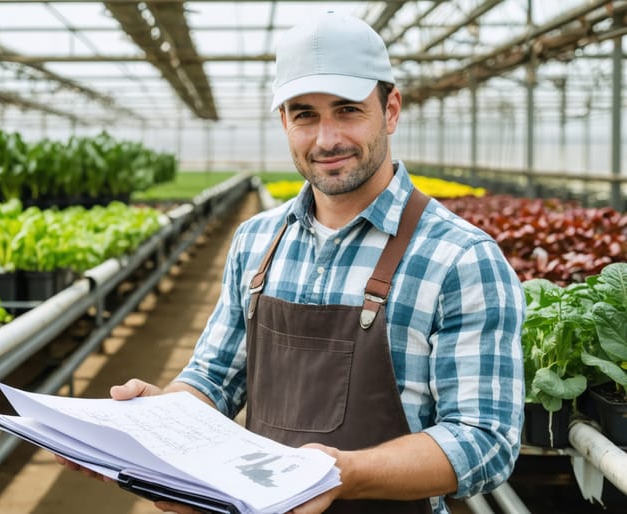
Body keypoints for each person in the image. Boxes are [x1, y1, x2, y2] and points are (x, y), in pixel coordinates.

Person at [60, 10, 526, 514]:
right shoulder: (256, 240)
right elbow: (215, 376)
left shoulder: (460, 258)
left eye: (347, 110)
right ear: (284, 120)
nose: (326, 139)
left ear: (391, 110)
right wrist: (158, 426)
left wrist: (345, 476)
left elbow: (485, 441)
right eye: (305, 114)